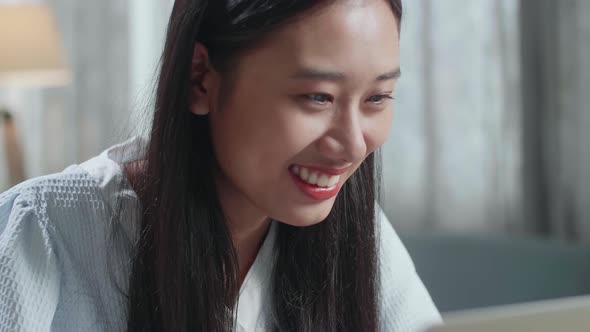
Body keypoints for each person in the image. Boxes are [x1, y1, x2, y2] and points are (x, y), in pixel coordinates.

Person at [0, 0, 441, 331]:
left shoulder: (358, 232)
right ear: (200, 79)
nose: (351, 143)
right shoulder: (45, 232)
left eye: (376, 99)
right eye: (317, 97)